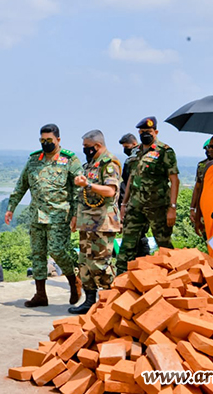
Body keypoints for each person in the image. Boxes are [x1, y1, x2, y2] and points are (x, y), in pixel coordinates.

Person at [5, 124, 83, 307]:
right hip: (36, 216)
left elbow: (78, 190)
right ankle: (41, 294)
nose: (46, 144)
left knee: (57, 251)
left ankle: (74, 281)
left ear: (58, 140)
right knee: (37, 254)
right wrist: (11, 207)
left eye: (49, 140)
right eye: (43, 140)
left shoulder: (69, 160)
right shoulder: (34, 160)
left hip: (59, 215)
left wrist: (76, 215)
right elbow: (21, 185)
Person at [68, 130, 121, 314]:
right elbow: (82, 195)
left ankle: (110, 302)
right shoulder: (90, 165)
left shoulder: (109, 163)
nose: (85, 150)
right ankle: (89, 301)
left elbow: (110, 191)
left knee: (100, 264)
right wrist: (75, 217)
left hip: (103, 222)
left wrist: (88, 185)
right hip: (86, 221)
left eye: (87, 147)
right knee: (84, 263)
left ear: (97, 146)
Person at [118, 117, 180, 274]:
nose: (145, 134)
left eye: (149, 132)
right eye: (143, 132)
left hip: (158, 206)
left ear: (156, 132)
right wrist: (124, 205)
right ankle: (120, 282)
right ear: (138, 133)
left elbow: (174, 180)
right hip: (135, 206)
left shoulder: (164, 151)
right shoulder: (136, 151)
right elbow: (131, 178)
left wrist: (172, 207)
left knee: (164, 244)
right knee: (127, 245)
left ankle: (174, 279)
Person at [118, 133, 150, 258]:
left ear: (134, 144)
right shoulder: (131, 159)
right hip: (131, 202)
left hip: (140, 202)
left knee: (139, 236)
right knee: (134, 236)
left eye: (127, 146)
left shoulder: (137, 159)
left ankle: (143, 260)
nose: (125, 150)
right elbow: (126, 182)